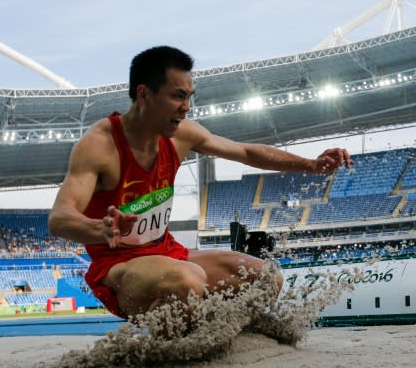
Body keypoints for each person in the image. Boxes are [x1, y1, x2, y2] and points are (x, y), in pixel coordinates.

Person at [48, 46, 352, 321]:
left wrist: (310, 165)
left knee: (265, 277)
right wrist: (101, 229)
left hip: (170, 255)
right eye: (178, 96)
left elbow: (245, 151)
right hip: (120, 270)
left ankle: (214, 336)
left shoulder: (181, 135)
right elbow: (60, 218)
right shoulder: (99, 146)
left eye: (189, 96)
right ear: (144, 95)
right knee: (188, 281)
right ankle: (164, 349)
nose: (187, 107)